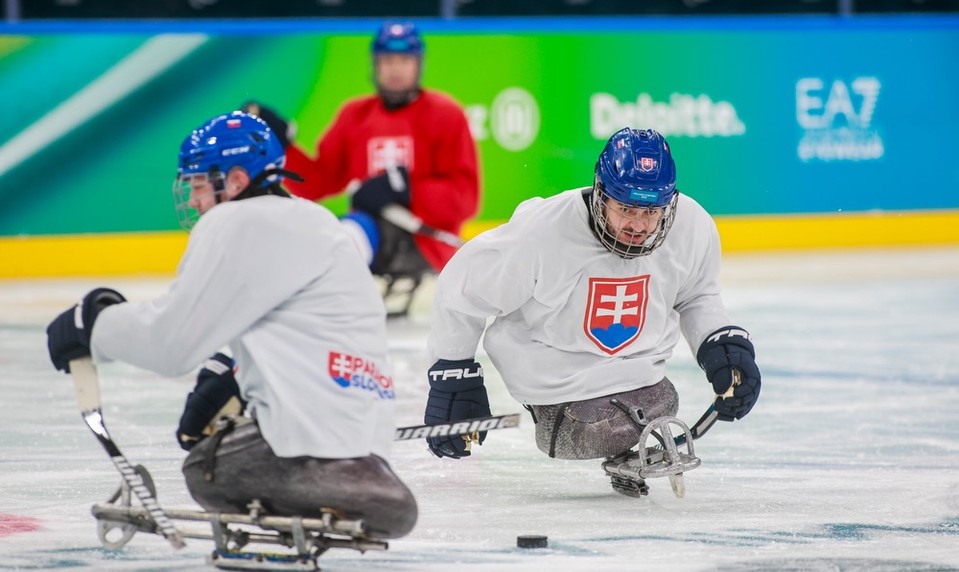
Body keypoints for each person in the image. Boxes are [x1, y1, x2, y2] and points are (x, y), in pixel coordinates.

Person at [44, 110, 417, 538]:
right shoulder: (319, 222)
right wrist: (229, 370)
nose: (196, 200)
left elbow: (169, 344)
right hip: (374, 460)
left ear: (237, 180)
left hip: (301, 452)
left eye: (200, 184)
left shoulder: (235, 221)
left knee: (204, 467)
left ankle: (304, 489)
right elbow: (298, 330)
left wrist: (93, 327)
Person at [421, 127, 762, 492]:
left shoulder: (691, 227)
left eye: (651, 211)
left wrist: (722, 347)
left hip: (644, 381)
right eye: (626, 208)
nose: (637, 225)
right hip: (558, 387)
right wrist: (454, 378)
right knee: (596, 430)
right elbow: (463, 288)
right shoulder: (543, 233)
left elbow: (695, 295)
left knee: (662, 403)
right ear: (601, 194)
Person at [244, 21, 480, 312]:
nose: (395, 69)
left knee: (349, 231)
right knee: (329, 229)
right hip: (370, 237)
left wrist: (407, 190)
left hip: (422, 241)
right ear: (375, 64)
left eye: (404, 60)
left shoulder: (446, 114)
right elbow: (318, 183)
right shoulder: (354, 115)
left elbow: (467, 197)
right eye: (387, 60)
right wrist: (283, 145)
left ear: (418, 64)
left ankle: (311, 298)